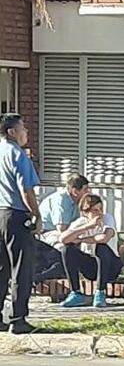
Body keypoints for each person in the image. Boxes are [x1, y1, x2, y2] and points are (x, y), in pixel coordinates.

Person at [0, 113, 42, 334]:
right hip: (15, 214)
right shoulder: (18, 155)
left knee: (2, 267)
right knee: (21, 267)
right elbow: (26, 190)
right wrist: (36, 214)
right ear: (11, 132)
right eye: (23, 128)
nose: (26, 132)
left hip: (0, 212)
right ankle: (18, 319)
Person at [58, 194, 123, 308]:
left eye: (101, 209)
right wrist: (87, 227)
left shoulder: (107, 218)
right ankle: (76, 293)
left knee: (101, 247)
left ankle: (100, 292)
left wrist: (80, 239)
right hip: (91, 267)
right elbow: (63, 239)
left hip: (110, 266)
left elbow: (104, 238)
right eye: (95, 210)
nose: (99, 213)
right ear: (85, 212)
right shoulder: (81, 222)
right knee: (67, 249)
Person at [39, 174, 90, 248]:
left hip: (70, 233)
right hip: (49, 232)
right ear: (75, 191)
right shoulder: (60, 200)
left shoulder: (80, 200)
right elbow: (62, 230)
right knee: (63, 247)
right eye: (85, 190)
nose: (88, 192)